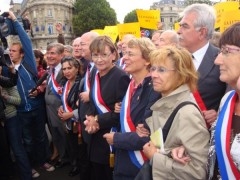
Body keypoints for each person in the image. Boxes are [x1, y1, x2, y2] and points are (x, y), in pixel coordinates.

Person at [137, 46, 209, 179]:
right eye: (153, 68)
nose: (153, 75)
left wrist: (155, 157)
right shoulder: (164, 102)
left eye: (162, 70)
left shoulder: (187, 113)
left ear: (181, 74)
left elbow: (197, 173)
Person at [103, 37, 160, 180]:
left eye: (131, 54)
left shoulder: (154, 88)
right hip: (123, 160)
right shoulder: (132, 85)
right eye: (125, 53)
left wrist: (117, 139)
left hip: (139, 164)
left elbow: (148, 135)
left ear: (147, 60)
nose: (125, 58)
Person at [7, 11, 54, 178]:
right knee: (26, 140)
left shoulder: (29, 65)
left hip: (36, 107)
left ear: (22, 53)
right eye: (9, 50)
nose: (10, 52)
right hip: (20, 111)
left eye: (14, 50)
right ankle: (31, 165)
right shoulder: (6, 69)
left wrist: (15, 20)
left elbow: (26, 41)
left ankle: (43, 160)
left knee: (41, 137)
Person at [84, 35, 130, 180]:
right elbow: (92, 101)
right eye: (95, 55)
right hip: (94, 135)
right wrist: (90, 118)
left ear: (114, 55)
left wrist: (97, 120)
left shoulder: (120, 77)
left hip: (109, 138)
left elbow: (121, 114)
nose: (99, 59)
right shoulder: (94, 73)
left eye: (104, 54)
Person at [177, 3, 226, 126]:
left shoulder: (221, 60)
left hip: (204, 137)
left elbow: (231, 100)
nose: (178, 31)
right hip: (173, 135)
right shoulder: (173, 59)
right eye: (180, 26)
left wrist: (218, 114)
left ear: (202, 32)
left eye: (185, 26)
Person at [57, 57, 83, 177]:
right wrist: (61, 108)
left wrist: (72, 114)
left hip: (79, 122)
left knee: (80, 147)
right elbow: (63, 101)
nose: (66, 71)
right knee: (71, 145)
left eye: (69, 68)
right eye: (64, 69)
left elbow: (86, 105)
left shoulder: (82, 83)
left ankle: (80, 166)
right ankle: (75, 164)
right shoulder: (64, 83)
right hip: (68, 122)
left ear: (77, 68)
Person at [44, 42, 68, 168]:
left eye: (52, 53)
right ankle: (62, 157)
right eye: (48, 53)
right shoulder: (50, 70)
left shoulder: (65, 69)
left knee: (64, 135)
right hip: (49, 110)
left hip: (60, 110)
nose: (49, 56)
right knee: (56, 135)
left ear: (61, 55)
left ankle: (67, 159)